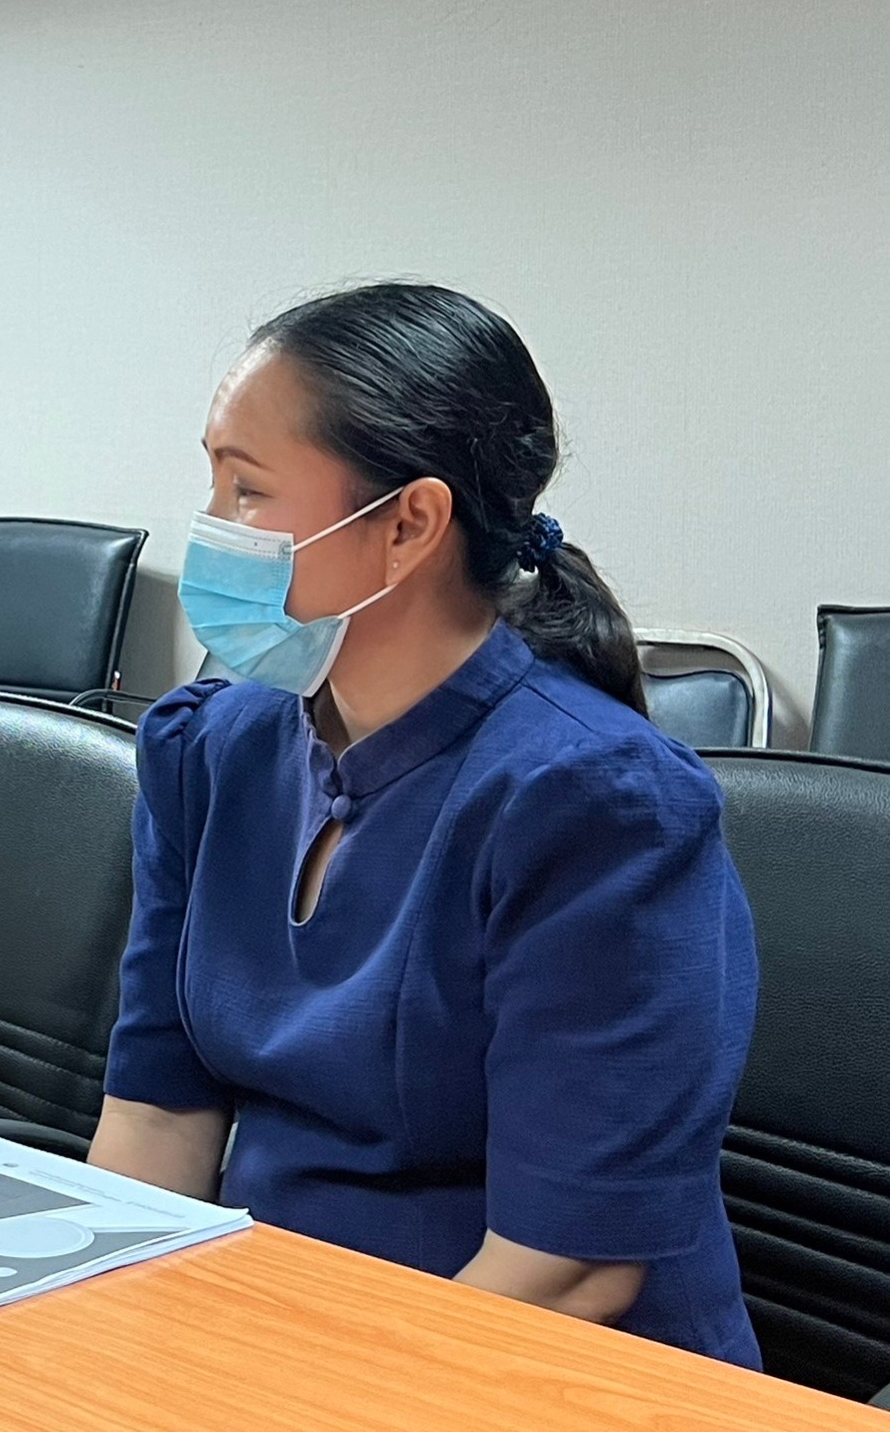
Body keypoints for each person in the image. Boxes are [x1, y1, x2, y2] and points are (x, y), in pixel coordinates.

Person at [91, 282, 758, 1365]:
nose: (216, 531)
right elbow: (158, 1119)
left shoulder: (599, 808)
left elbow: (567, 1268)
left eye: (249, 492)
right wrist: (84, 1345)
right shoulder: (209, 749)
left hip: (518, 1369)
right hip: (264, 1337)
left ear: (408, 525)